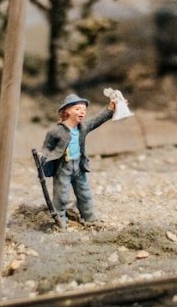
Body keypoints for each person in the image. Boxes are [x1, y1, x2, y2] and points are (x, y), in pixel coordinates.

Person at [38, 93, 119, 231]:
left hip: (78, 166)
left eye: (84, 109)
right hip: (63, 167)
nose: (82, 112)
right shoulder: (55, 132)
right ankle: (60, 222)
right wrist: (42, 156)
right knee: (61, 196)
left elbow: (97, 120)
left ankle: (90, 218)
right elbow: (47, 148)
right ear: (67, 111)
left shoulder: (83, 127)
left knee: (84, 193)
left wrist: (110, 109)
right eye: (77, 109)